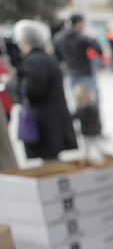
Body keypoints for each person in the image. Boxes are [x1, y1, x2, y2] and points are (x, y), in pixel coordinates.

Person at [14, 20, 77, 160]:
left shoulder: (32, 61)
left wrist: (14, 86)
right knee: (53, 159)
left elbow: (33, 90)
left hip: (45, 122)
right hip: (53, 119)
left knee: (50, 163)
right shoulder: (47, 58)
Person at [54, 14, 104, 106]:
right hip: (86, 73)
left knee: (78, 104)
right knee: (93, 104)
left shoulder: (59, 38)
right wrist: (92, 37)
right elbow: (99, 50)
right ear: (79, 23)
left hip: (70, 74)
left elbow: (58, 58)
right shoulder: (82, 37)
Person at [71, 83, 103, 163]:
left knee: (87, 146)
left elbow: (74, 117)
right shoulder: (93, 106)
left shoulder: (81, 109)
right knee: (95, 144)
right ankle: (97, 157)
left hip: (87, 131)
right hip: (95, 130)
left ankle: (88, 158)